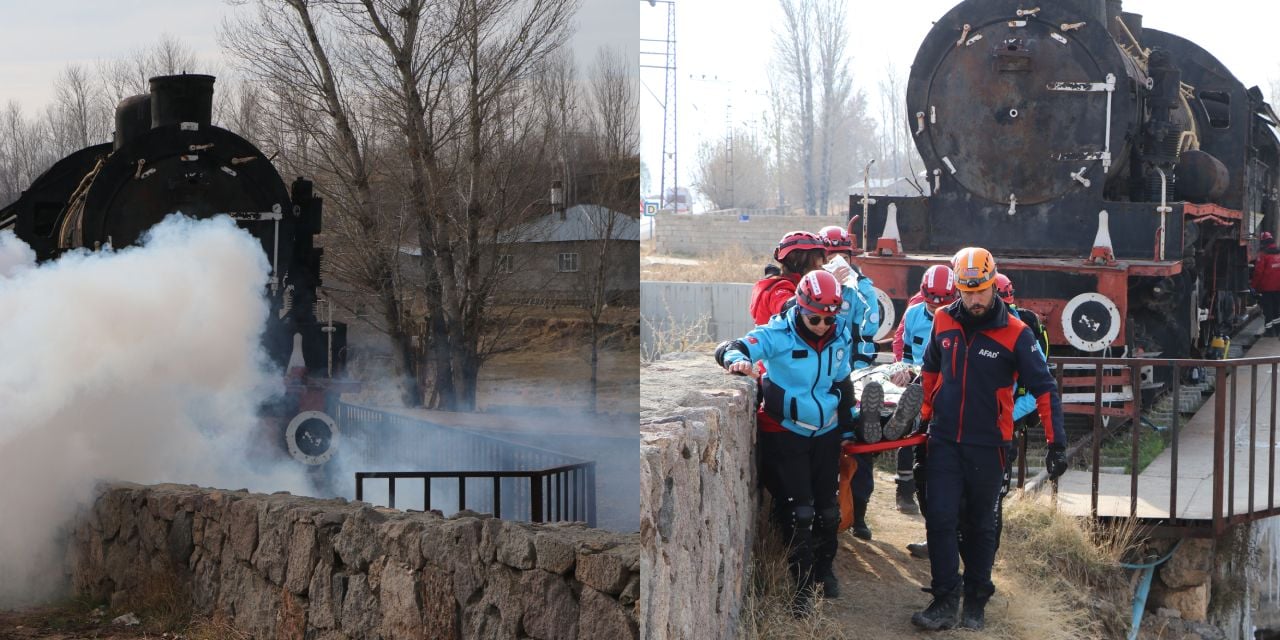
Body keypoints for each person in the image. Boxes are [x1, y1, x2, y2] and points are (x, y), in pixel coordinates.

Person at [910, 247, 1067, 632]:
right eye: (967, 291)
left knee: (981, 526)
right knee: (941, 519)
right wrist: (923, 423)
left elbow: (1044, 388)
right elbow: (931, 372)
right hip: (944, 440)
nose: (974, 299)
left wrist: (1056, 442)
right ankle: (945, 599)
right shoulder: (944, 320)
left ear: (993, 283)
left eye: (980, 290)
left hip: (990, 445)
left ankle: (977, 599)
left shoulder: (1017, 333)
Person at [717, 270, 857, 615]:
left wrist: (849, 431)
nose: (823, 325)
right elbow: (730, 347)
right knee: (801, 513)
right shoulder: (778, 333)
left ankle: (825, 572)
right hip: (785, 432)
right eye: (815, 318)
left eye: (830, 318)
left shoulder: (839, 337)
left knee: (828, 512)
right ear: (801, 308)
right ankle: (801, 589)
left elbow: (843, 385)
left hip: (826, 432)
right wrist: (738, 362)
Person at [818, 224, 884, 541]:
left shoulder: (862, 289)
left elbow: (866, 335)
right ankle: (826, 515)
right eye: (828, 255)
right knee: (822, 451)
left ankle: (859, 515)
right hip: (816, 380)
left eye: (840, 254)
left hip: (851, 379)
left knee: (860, 448)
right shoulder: (808, 288)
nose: (835, 261)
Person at [886, 265, 957, 516]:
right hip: (917, 382)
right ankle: (904, 490)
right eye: (930, 303)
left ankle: (935, 490)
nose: (934, 308)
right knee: (909, 430)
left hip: (948, 385)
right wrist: (902, 370)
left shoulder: (960, 319)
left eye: (940, 305)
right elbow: (903, 348)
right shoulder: (914, 314)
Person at [1252, 231, 1280, 337]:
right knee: (1277, 309)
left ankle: (1269, 331)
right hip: (1278, 288)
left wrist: (1253, 287)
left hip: (1267, 288)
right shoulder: (1278, 252)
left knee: (1268, 310)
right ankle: (1277, 330)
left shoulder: (1263, 255)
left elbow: (1258, 273)